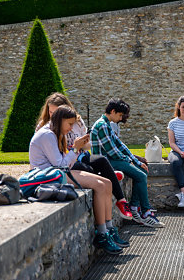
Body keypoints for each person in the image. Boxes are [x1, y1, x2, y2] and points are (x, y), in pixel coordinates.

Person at [30, 104, 128, 255]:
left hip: (58, 172)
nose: (71, 129)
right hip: (49, 176)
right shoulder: (47, 135)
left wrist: (77, 148)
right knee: (101, 186)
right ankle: (102, 234)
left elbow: (65, 163)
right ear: (60, 120)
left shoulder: (55, 132)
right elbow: (60, 165)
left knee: (107, 183)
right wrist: (75, 148)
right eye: (69, 124)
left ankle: (108, 230)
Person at [36, 92, 133, 220]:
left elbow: (88, 146)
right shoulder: (46, 128)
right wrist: (74, 148)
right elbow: (58, 162)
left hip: (79, 156)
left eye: (56, 112)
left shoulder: (77, 121)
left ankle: (121, 201)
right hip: (66, 161)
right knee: (86, 169)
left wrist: (82, 144)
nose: (53, 115)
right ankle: (106, 176)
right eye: (51, 112)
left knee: (101, 161)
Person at [90, 98, 164, 228]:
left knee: (142, 171)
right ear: (112, 111)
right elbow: (113, 152)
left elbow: (120, 145)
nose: (120, 118)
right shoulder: (102, 125)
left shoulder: (106, 124)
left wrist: (135, 161)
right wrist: (131, 160)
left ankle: (135, 207)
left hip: (111, 161)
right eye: (119, 115)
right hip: (106, 163)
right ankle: (145, 211)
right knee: (141, 175)